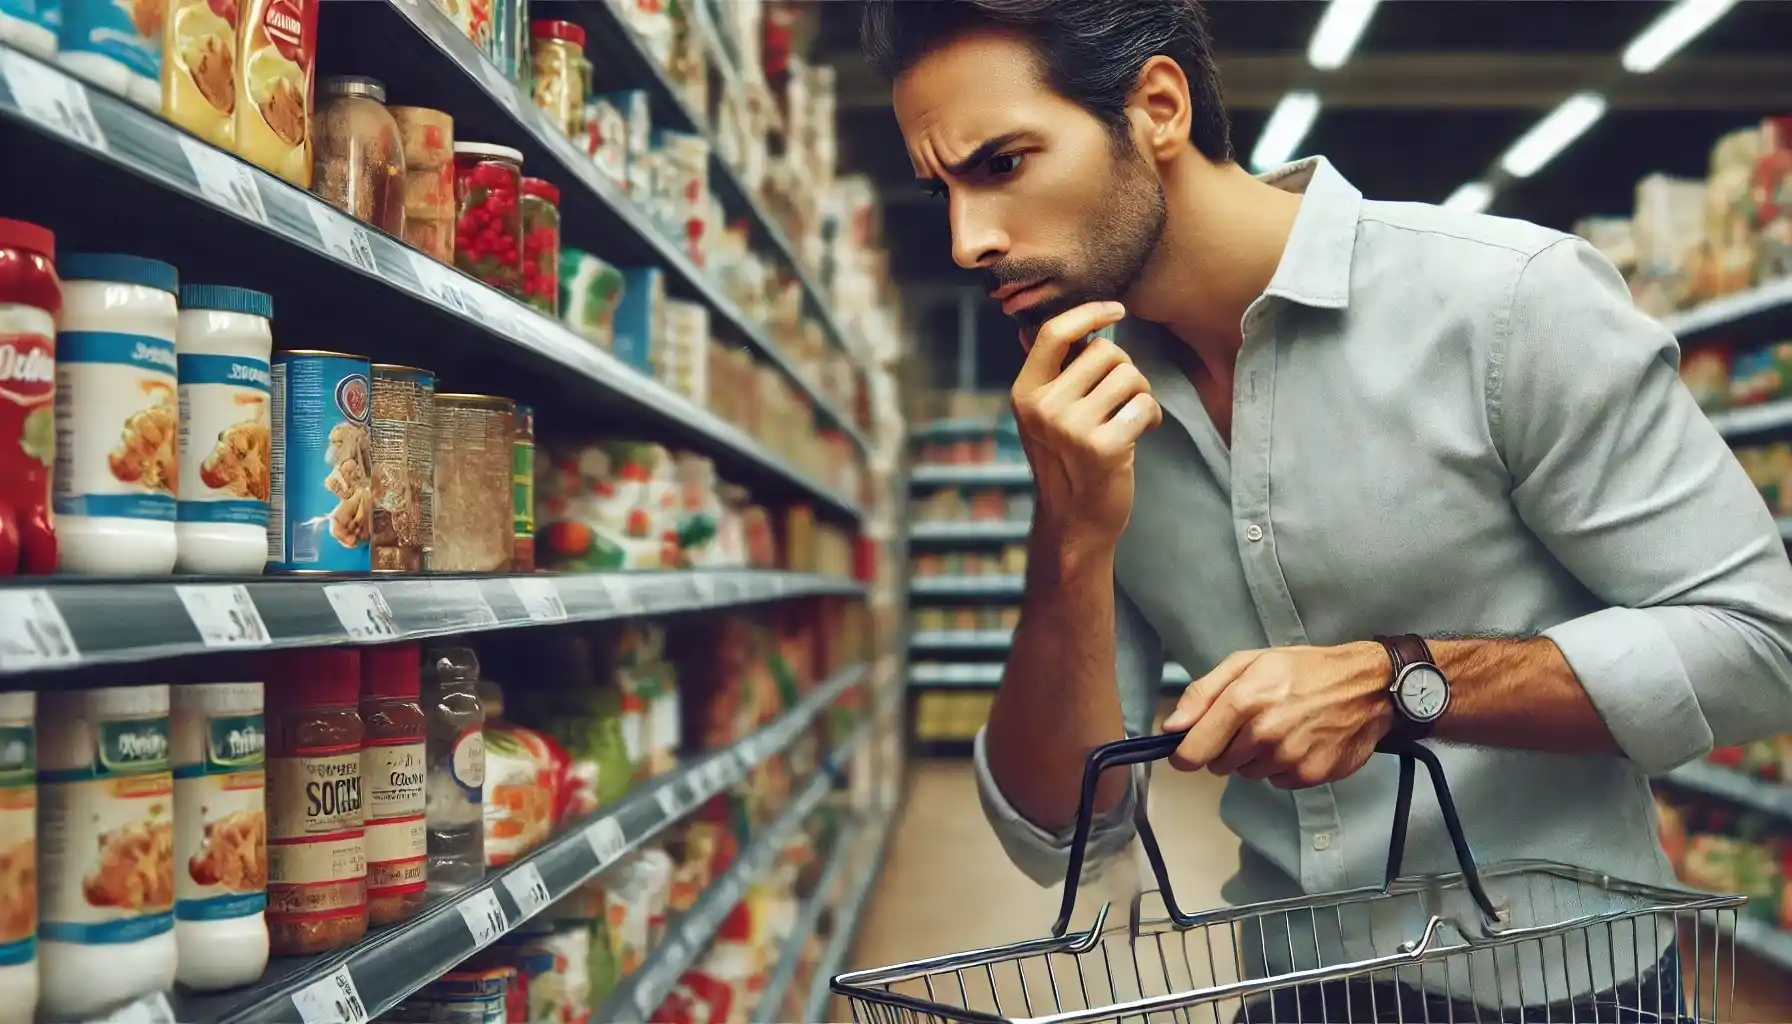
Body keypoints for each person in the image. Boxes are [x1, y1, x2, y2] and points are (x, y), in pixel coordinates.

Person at [861, 1, 1792, 1021]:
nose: (965, 240)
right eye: (939, 188)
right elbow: (1057, 827)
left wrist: (1398, 681)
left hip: (1572, 988)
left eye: (1000, 163)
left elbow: (1761, 643)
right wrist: (1070, 540)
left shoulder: (1509, 305)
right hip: (1290, 989)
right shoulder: (1088, 401)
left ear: (1158, 107)